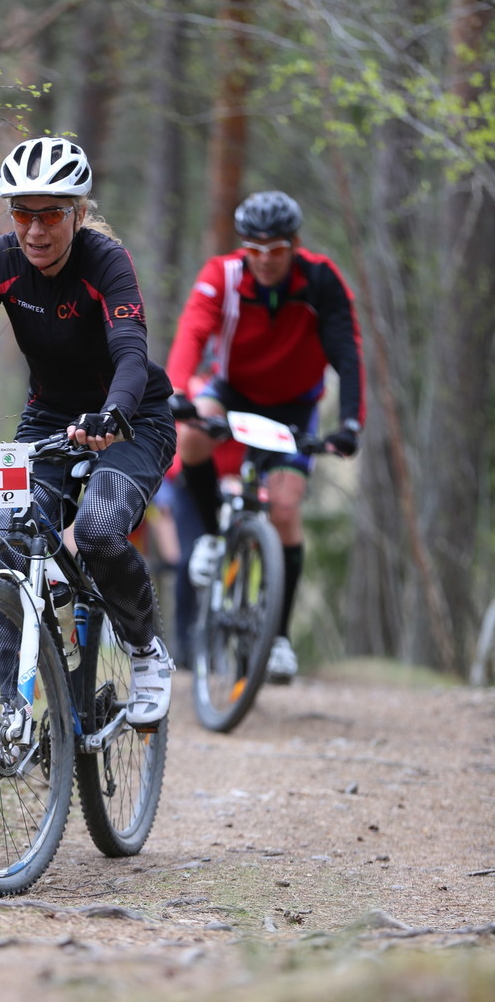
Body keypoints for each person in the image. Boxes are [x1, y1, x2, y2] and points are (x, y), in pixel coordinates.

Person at [0, 136, 177, 726]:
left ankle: (145, 649)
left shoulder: (105, 261)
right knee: (7, 546)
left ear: (77, 214)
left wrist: (114, 413)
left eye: (50, 213)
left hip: (131, 418)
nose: (34, 229)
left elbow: (131, 350)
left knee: (102, 532)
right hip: (51, 419)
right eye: (22, 212)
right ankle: (13, 709)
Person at [166, 190, 365, 683]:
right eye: (255, 249)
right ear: (244, 248)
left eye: (276, 250)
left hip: (295, 405)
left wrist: (352, 423)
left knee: (284, 507)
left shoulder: (321, 279)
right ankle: (213, 537)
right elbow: (193, 330)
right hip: (233, 389)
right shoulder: (224, 275)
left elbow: (347, 350)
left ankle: (277, 636)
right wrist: (174, 389)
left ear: (294, 245)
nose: (265, 260)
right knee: (190, 436)